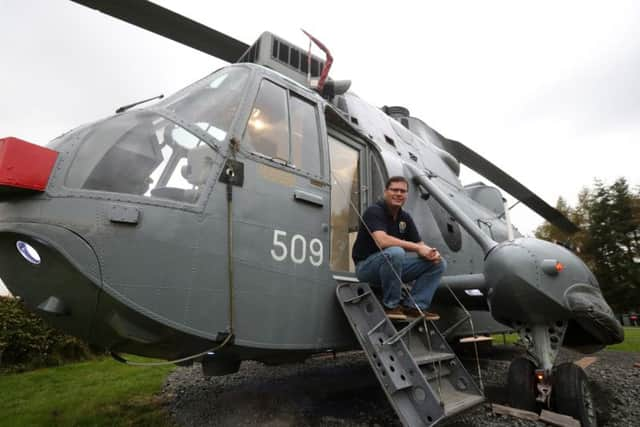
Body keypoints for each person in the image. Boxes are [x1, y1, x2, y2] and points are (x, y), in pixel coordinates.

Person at [352, 176, 446, 320]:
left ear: (406, 195)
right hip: (366, 268)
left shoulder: (405, 218)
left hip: (392, 268)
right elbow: (381, 241)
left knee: (438, 263)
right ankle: (391, 306)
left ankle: (414, 307)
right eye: (394, 190)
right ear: (385, 192)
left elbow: (420, 245)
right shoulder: (374, 211)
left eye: (403, 191)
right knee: (396, 252)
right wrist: (417, 248)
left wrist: (431, 252)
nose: (399, 194)